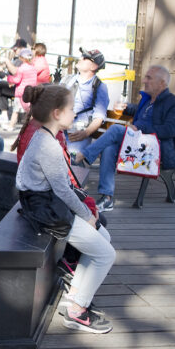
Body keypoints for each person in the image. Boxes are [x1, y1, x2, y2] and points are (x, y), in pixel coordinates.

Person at [16, 84, 115, 334]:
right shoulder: (47, 145)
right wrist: (87, 216)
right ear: (57, 113)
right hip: (46, 211)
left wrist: (88, 216)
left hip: (46, 204)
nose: (75, 114)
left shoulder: (44, 136)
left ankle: (75, 299)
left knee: (104, 239)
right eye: (71, 109)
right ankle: (77, 311)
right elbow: (62, 191)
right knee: (106, 254)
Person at [75, 65, 175, 212]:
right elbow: (146, 113)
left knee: (116, 129)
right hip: (141, 145)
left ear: (162, 83)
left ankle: (83, 155)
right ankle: (107, 198)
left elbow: (171, 130)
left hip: (163, 152)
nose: (144, 80)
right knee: (109, 149)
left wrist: (140, 129)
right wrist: (126, 107)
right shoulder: (149, 100)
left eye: (149, 78)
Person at [61, 48, 109, 159]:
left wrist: (85, 133)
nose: (80, 58)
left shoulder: (99, 86)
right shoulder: (67, 79)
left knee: (72, 162)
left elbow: (99, 117)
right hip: (58, 130)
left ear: (94, 66)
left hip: (77, 135)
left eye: (85, 58)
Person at [0, 38, 27, 123]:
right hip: (16, 85)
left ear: (22, 49)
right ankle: (2, 114)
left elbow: (15, 73)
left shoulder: (22, 61)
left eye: (15, 49)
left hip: (19, 88)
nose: (14, 50)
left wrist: (7, 62)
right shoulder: (19, 59)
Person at [3, 48, 38, 131]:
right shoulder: (33, 68)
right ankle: (33, 126)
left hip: (20, 93)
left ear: (22, 58)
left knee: (15, 111)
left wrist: (9, 78)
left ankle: (11, 126)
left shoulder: (21, 68)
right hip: (30, 92)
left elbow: (17, 80)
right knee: (29, 111)